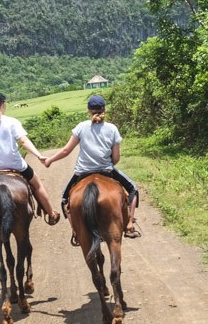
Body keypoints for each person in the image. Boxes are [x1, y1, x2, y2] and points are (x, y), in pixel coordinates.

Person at [43, 95, 140, 245]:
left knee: (64, 199)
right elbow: (116, 158)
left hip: (82, 172)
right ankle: (129, 226)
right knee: (133, 188)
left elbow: (66, 151)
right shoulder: (112, 129)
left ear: (88, 111)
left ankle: (76, 232)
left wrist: (49, 160)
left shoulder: (81, 127)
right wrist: (106, 162)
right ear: (104, 110)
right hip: (106, 170)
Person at [0, 91, 58, 231]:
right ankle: (50, 213)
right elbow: (24, 141)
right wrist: (39, 156)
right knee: (37, 184)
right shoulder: (12, 122)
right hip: (15, 164)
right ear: (4, 105)